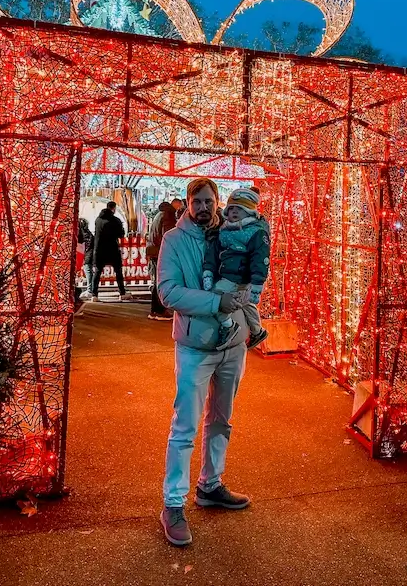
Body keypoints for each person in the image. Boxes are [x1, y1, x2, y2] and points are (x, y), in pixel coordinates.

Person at [157, 177, 251, 547]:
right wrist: (215, 303)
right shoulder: (174, 240)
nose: (203, 207)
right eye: (197, 201)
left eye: (209, 200)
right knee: (185, 427)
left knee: (221, 421)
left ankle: (210, 485)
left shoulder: (233, 233)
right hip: (195, 346)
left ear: (217, 201)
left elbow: (249, 276)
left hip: (233, 345)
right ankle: (173, 503)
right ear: (187, 202)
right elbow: (168, 292)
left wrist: (248, 318)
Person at [202, 187, 269, 351]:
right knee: (246, 303)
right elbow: (214, 253)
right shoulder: (224, 230)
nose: (234, 212)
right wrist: (208, 271)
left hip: (235, 277)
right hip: (233, 275)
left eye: (239, 209)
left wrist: (257, 284)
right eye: (231, 208)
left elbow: (260, 259)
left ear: (249, 211)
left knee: (215, 299)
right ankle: (258, 331)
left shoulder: (256, 232)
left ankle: (228, 325)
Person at [91, 201, 132, 302]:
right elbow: (121, 234)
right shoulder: (115, 220)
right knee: (118, 271)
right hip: (112, 249)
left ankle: (94, 294)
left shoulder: (98, 220)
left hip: (99, 249)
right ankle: (122, 293)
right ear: (114, 208)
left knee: (97, 272)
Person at [146, 199, 180, 320]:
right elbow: (168, 235)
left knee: (157, 280)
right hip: (160, 251)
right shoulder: (168, 216)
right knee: (160, 281)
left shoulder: (160, 214)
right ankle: (159, 310)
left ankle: (155, 310)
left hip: (154, 250)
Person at [78, 218, 95, 299]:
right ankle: (90, 289)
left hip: (88, 254)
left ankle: (90, 290)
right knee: (88, 271)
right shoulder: (88, 233)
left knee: (88, 270)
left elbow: (81, 241)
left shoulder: (84, 233)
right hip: (89, 254)